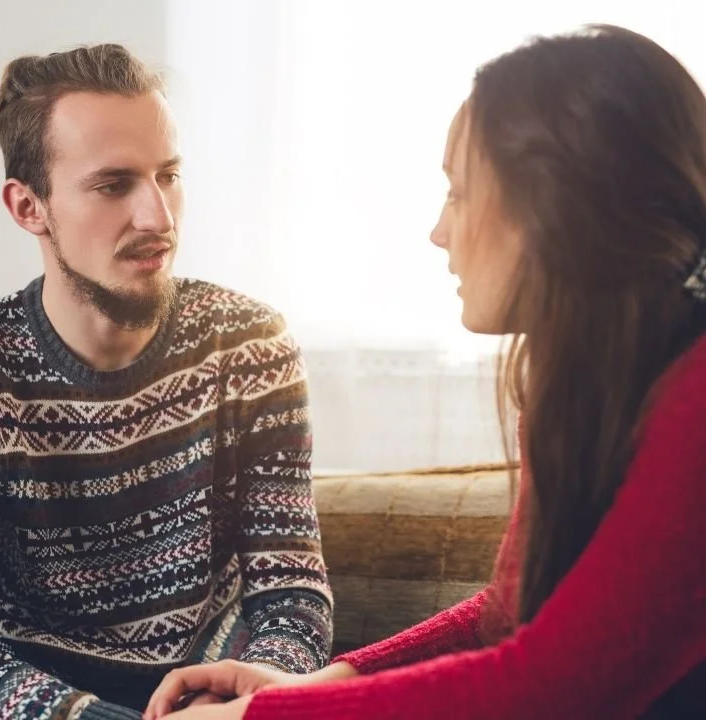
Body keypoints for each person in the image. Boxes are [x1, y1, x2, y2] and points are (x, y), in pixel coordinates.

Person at [145, 24, 706, 720]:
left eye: (458, 192)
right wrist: (326, 682)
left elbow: (553, 683)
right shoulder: (589, 384)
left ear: (552, 209)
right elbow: (510, 616)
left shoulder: (697, 399)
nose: (439, 231)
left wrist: (255, 718)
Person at [0, 44, 333, 719]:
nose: (159, 217)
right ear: (29, 207)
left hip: (217, 700)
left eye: (168, 175)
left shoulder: (249, 343)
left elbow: (290, 589)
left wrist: (259, 688)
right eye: (114, 185)